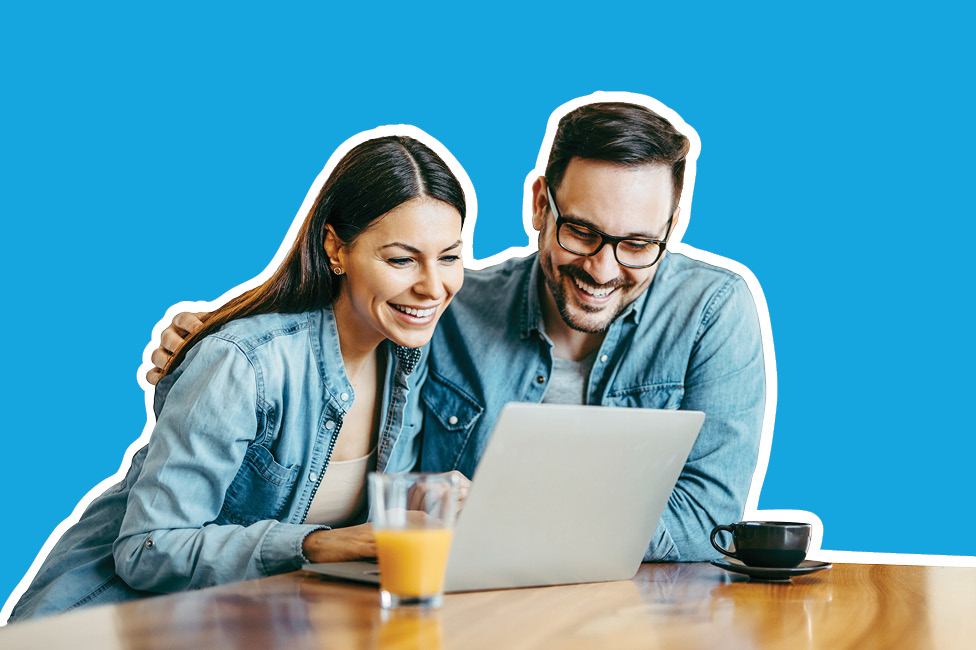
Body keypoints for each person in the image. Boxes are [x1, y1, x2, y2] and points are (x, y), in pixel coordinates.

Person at [150, 99, 768, 564]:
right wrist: (220, 341)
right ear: (537, 206)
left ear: (672, 228)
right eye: (580, 231)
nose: (603, 269)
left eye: (638, 244)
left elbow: (708, 523)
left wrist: (518, 519)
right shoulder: (448, 305)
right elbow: (329, 331)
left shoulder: (712, 311)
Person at [10, 133, 467, 621]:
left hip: (242, 622)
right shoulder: (245, 363)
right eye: (401, 259)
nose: (433, 287)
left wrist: (425, 497)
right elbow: (148, 549)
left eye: (450, 257)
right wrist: (317, 545)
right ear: (336, 250)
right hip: (105, 621)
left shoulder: (405, 360)